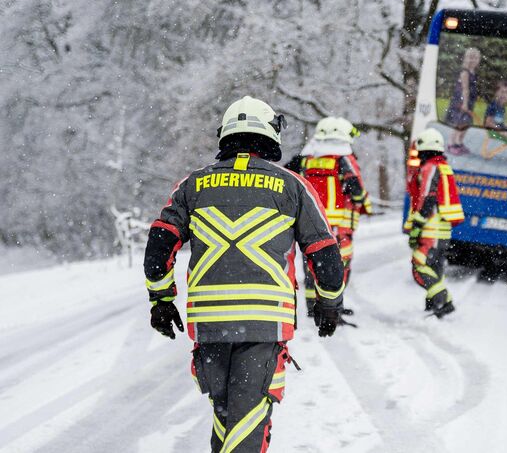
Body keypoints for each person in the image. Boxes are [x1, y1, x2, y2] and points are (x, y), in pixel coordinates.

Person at [143, 96, 346, 453]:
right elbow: (324, 252)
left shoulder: (191, 186)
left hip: (209, 323)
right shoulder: (294, 186)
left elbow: (160, 245)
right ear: (270, 135)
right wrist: (329, 303)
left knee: (227, 419)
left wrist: (161, 300)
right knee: (248, 423)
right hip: (264, 320)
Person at [291, 116, 373, 316]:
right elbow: (356, 189)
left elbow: (288, 177)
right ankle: (334, 305)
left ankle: (312, 306)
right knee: (339, 264)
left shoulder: (306, 159)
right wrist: (362, 200)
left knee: (311, 261)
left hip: (309, 221)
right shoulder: (344, 159)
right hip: (338, 224)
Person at [404, 128, 465, 318]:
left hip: (432, 229)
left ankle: (444, 300)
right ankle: (434, 305)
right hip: (442, 230)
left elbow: (427, 198)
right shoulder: (443, 166)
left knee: (420, 264)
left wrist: (417, 225)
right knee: (435, 267)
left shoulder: (430, 167)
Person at [444, 47, 481, 155]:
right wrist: (464, 103)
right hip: (461, 102)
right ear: (466, 59)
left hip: (469, 102)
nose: (472, 60)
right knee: (459, 123)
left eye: (475, 58)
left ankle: (459, 142)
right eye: (470, 57)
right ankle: (451, 143)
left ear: (478, 60)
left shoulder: (473, 72)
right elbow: (465, 89)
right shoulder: (465, 72)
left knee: (466, 124)